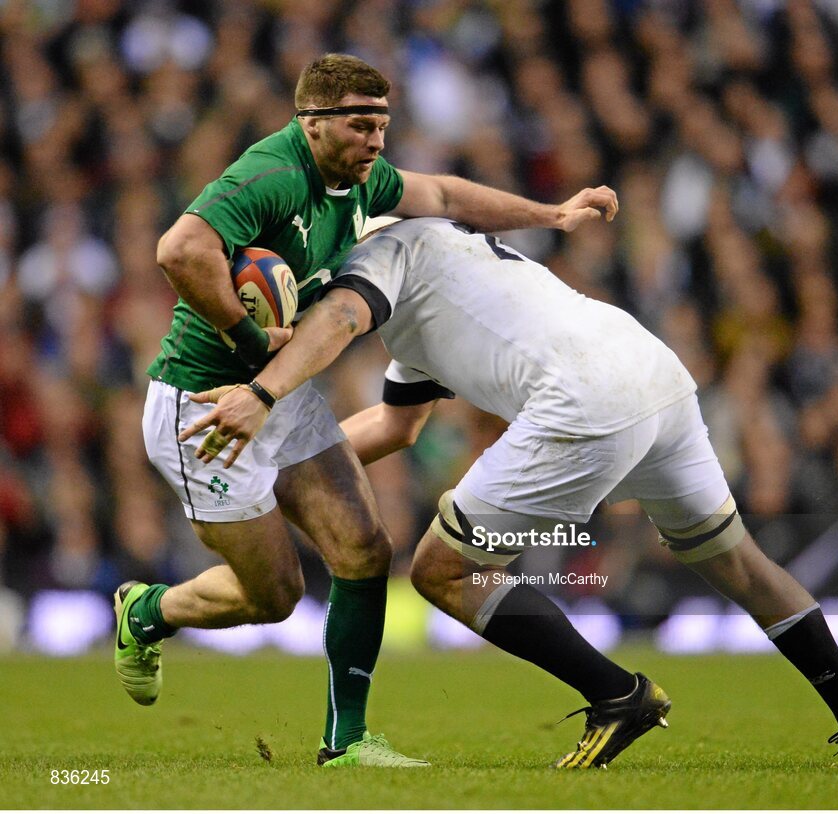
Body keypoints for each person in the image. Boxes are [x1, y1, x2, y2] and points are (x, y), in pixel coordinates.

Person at [183, 217, 838, 770]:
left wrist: (263, 394)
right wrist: (287, 473)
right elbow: (396, 428)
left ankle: (617, 693)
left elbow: (342, 316)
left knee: (443, 569)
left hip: (583, 395)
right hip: (649, 368)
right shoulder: (438, 274)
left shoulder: (378, 259)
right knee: (738, 561)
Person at [120, 54, 618, 769]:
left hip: (278, 396)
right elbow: (179, 249)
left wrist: (553, 214)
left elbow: (443, 194)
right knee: (277, 594)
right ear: (312, 123)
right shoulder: (271, 177)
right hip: (199, 404)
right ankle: (145, 613)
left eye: (382, 125)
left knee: (363, 548)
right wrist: (250, 338)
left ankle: (345, 743)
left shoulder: (357, 180)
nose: (377, 142)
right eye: (360, 126)